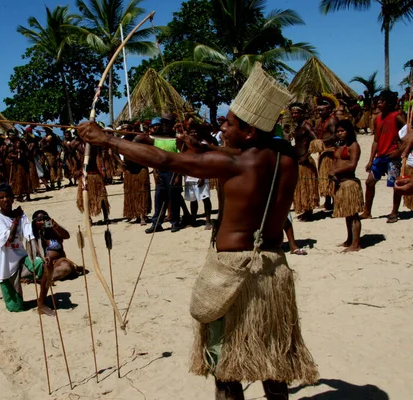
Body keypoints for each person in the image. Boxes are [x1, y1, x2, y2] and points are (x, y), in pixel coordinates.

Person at [77, 63, 318, 399]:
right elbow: (228, 151)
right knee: (272, 363)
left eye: (229, 124)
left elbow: (166, 161)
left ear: (249, 132)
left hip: (233, 275)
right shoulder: (285, 158)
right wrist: (200, 142)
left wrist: (108, 139)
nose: (223, 126)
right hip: (272, 271)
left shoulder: (235, 163)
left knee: (226, 370)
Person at [0, 183, 51, 314]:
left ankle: (41, 303)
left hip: (21, 259)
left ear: (12, 198)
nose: (5, 200)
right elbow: (9, 238)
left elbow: (30, 237)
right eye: (1, 197)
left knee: (43, 265)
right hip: (5, 266)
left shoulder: (22, 216)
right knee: (16, 308)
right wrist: (16, 219)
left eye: (7, 196)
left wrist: (41, 254)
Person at [361, 90, 406, 222]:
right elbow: (376, 140)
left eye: (382, 101)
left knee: (396, 184)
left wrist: (399, 152)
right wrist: (370, 160)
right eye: (378, 101)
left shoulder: (397, 116)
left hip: (392, 155)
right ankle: (367, 211)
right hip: (380, 156)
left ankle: (394, 212)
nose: (379, 103)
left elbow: (409, 134)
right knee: (369, 182)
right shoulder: (378, 118)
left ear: (389, 102)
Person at [329, 120, 364, 252]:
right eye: (338, 131)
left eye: (342, 131)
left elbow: (352, 164)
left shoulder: (354, 145)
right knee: (347, 214)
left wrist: (335, 171)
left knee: (353, 214)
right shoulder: (340, 146)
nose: (340, 133)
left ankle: (356, 244)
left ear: (349, 131)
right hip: (340, 183)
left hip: (350, 182)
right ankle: (349, 239)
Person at [290, 103, 319, 221]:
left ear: (302, 113)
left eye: (296, 113)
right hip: (298, 161)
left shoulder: (306, 126)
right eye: (293, 113)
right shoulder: (297, 126)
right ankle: (305, 210)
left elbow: (316, 141)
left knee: (307, 186)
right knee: (301, 186)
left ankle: (309, 212)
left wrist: (306, 155)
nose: (294, 115)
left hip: (305, 161)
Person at [314, 94, 339, 210]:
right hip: (323, 152)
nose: (319, 112)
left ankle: (335, 201)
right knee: (324, 177)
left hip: (330, 152)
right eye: (318, 110)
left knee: (330, 177)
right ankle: (328, 201)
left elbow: (336, 136)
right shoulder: (321, 120)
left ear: (329, 109)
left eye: (322, 110)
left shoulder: (333, 119)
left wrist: (322, 142)